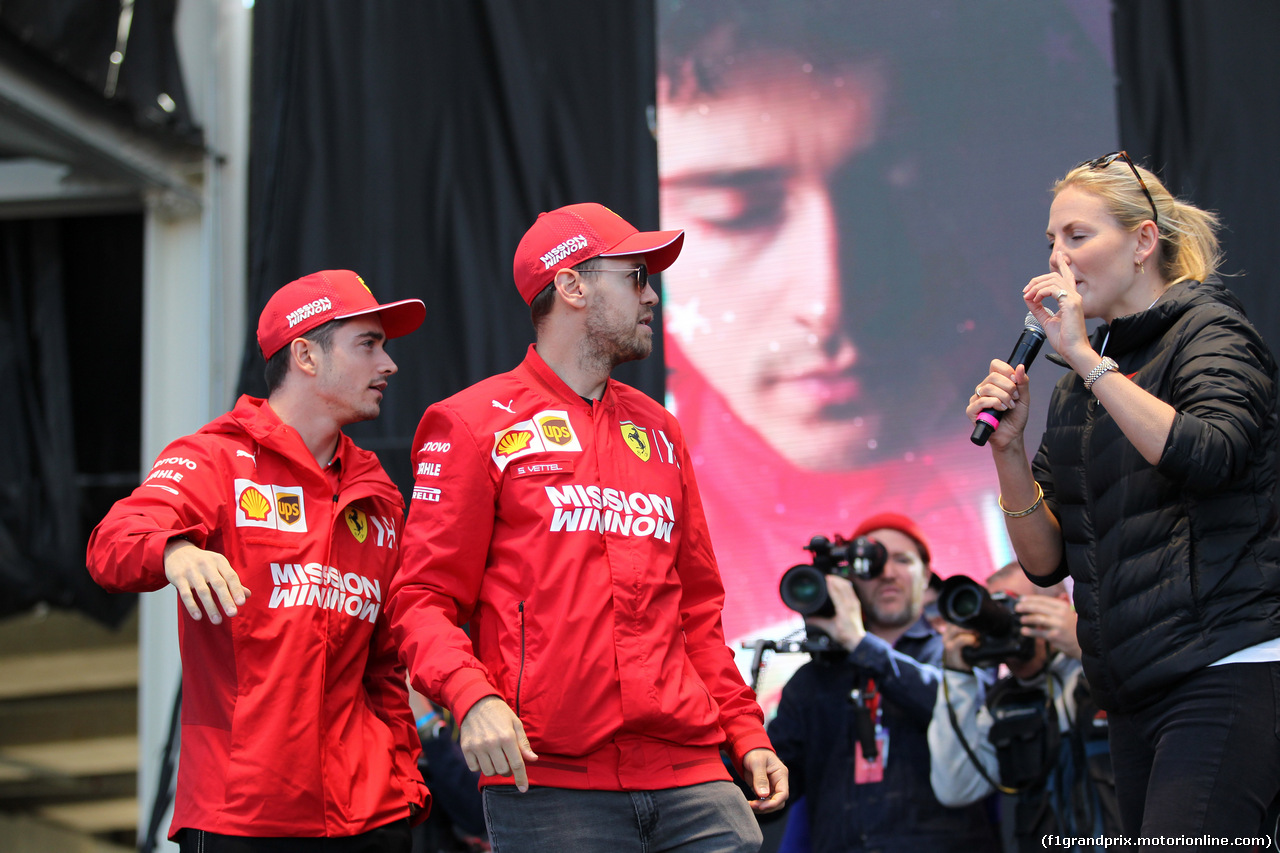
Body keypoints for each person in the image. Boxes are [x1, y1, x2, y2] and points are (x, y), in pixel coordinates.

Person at [654, 0, 1115, 643]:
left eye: (890, 192)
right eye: (736, 212)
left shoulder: (1079, 434)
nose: (828, 301)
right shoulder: (647, 477)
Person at [388, 202, 788, 853]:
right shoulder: (471, 422)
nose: (651, 295)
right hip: (549, 783)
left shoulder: (660, 429)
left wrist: (746, 732)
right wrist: (473, 698)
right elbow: (421, 599)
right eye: (634, 276)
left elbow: (696, 611)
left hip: (692, 774)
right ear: (572, 285)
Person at [966, 151, 1280, 837]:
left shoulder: (1209, 331)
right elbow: (1047, 561)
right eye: (1051, 241)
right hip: (1134, 688)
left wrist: (1084, 356)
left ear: (1143, 243)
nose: (1057, 259)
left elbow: (1211, 454)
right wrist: (1010, 451)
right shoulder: (1082, 389)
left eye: (1076, 236)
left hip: (1224, 662)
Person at [86, 270, 430, 850]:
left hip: (371, 816)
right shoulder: (214, 460)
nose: (388, 365)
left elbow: (385, 668)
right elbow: (111, 543)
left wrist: (402, 777)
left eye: (385, 347)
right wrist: (173, 550)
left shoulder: (379, 496)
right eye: (368, 345)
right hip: (241, 817)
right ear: (305, 355)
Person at [766, 512, 998, 853]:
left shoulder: (961, 650)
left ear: (927, 575)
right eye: (870, 564)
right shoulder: (812, 680)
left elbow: (961, 712)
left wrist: (861, 645)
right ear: (848, 581)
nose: (887, 573)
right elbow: (774, 788)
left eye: (903, 560)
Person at [928, 562, 1121, 851]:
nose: (998, 620)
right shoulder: (1001, 705)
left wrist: (1087, 647)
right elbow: (955, 788)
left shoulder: (1103, 671)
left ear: (1058, 605)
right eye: (989, 611)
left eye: (1012, 605)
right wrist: (957, 677)